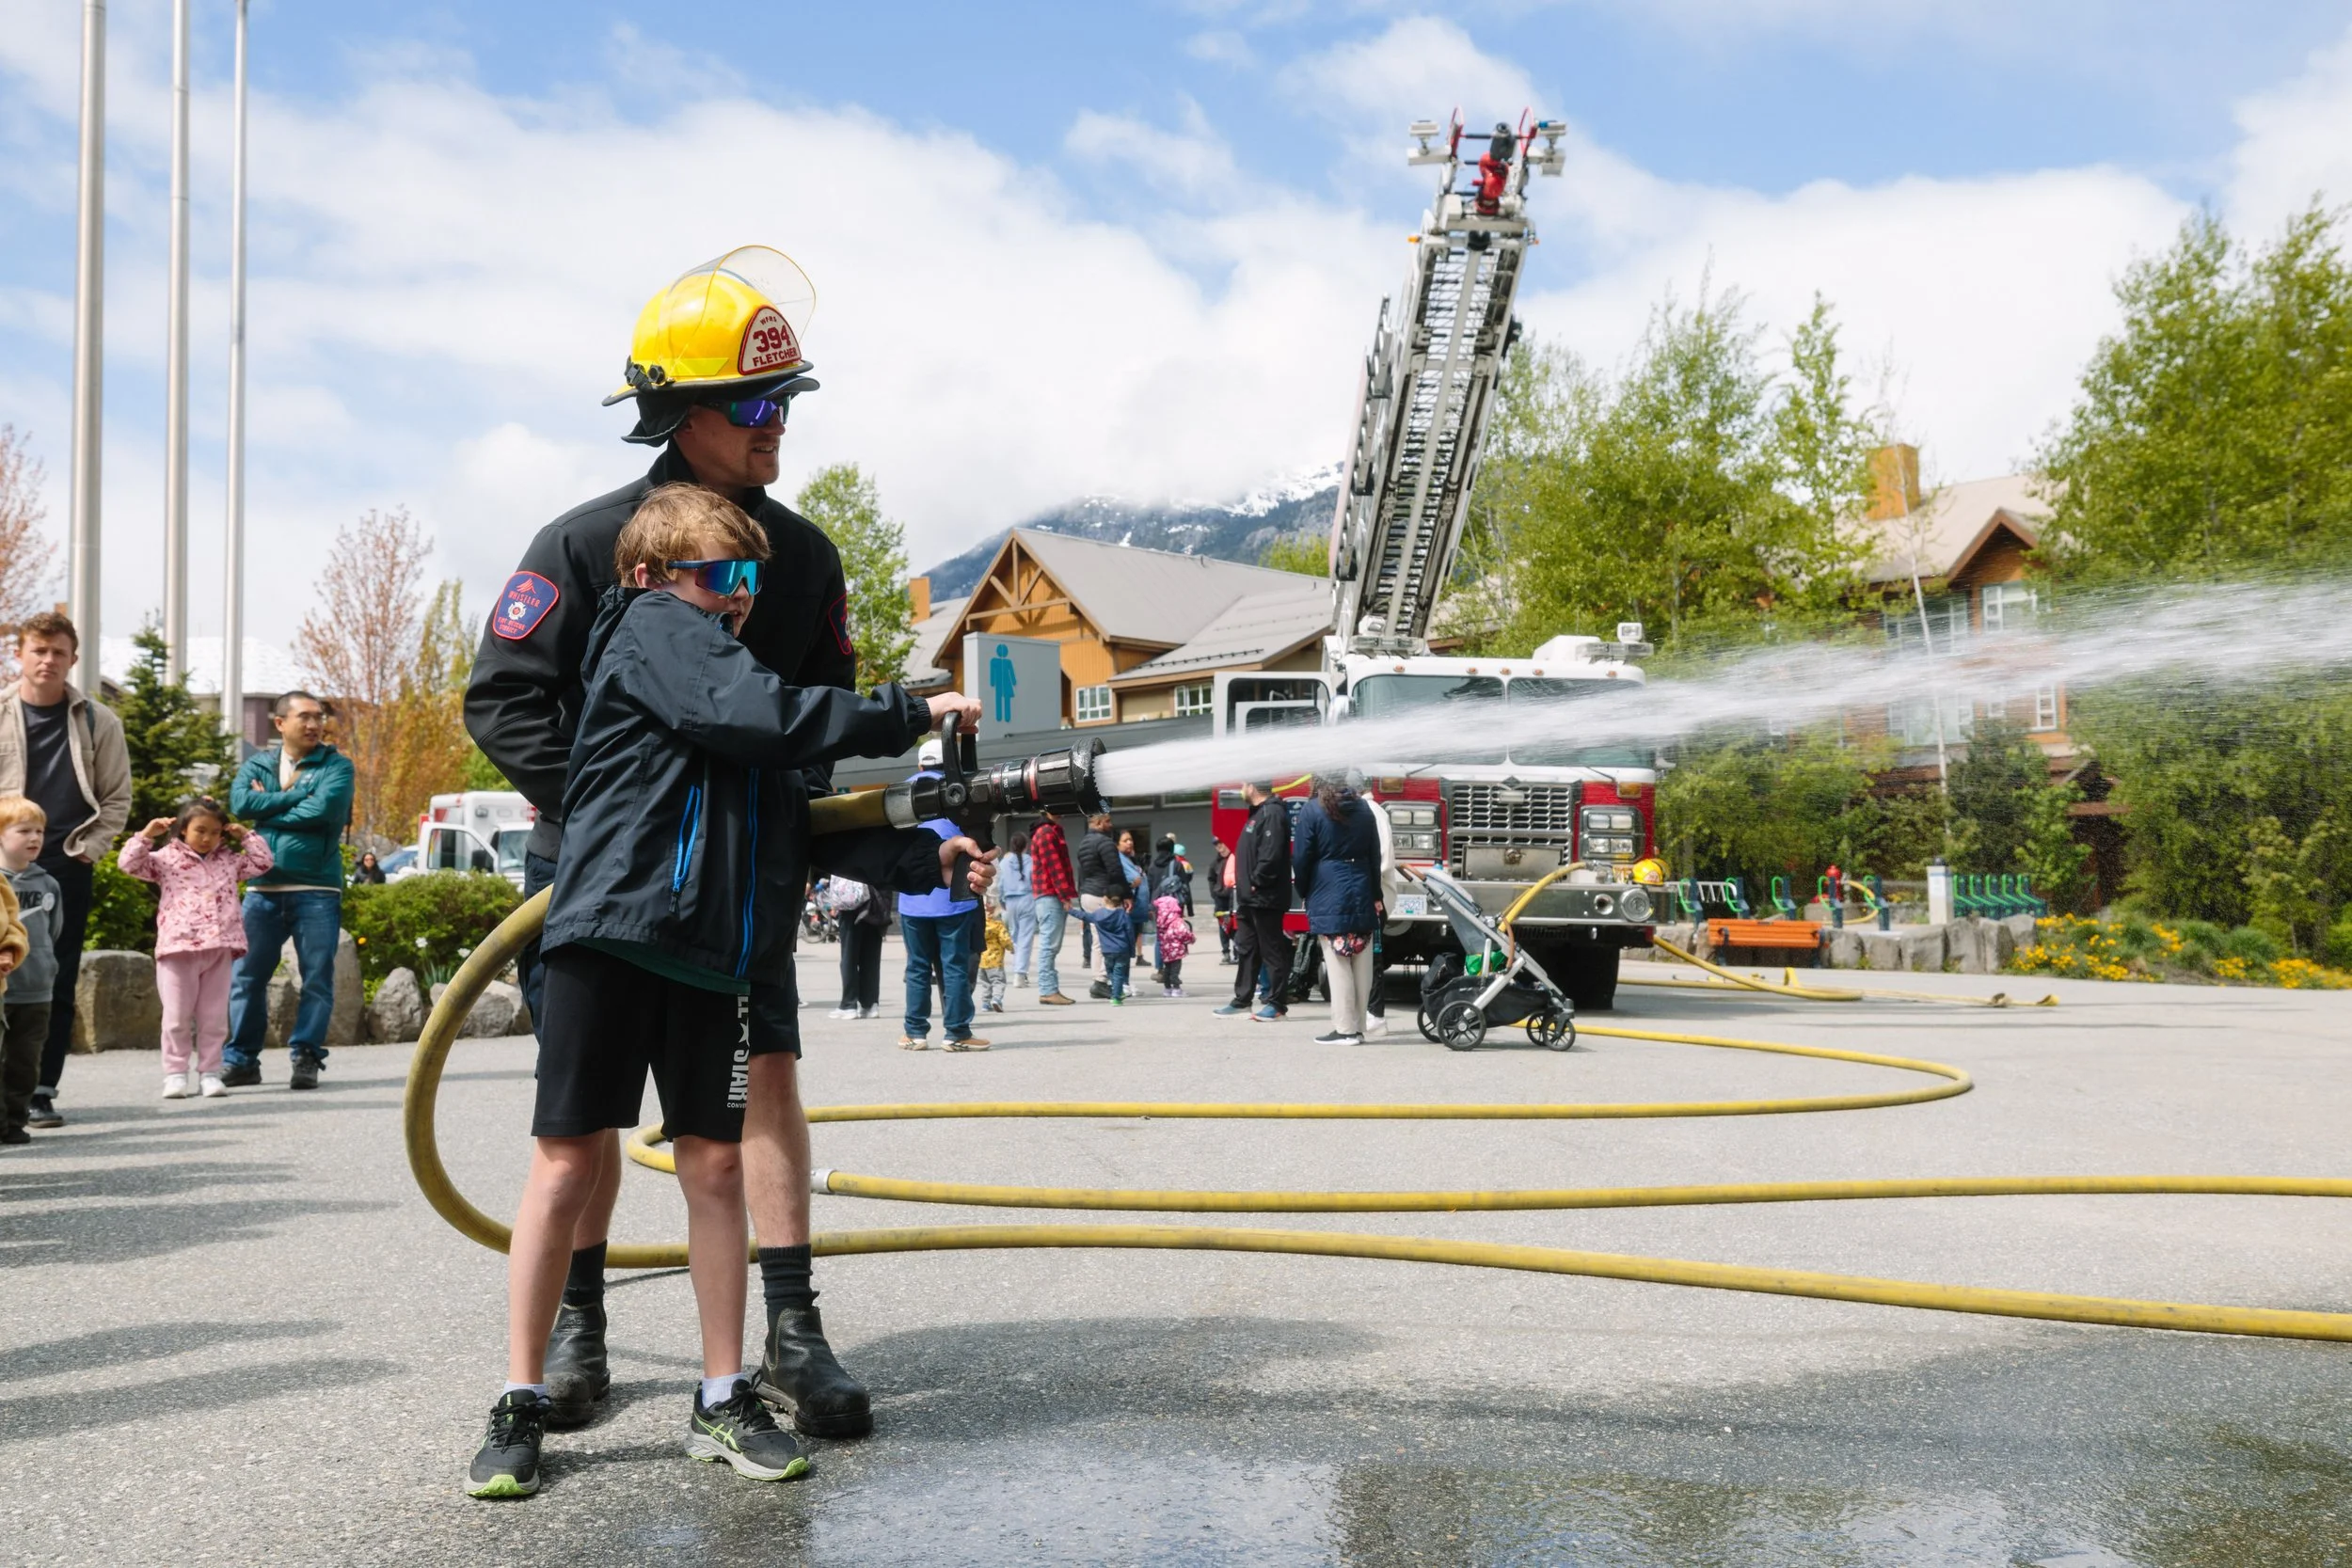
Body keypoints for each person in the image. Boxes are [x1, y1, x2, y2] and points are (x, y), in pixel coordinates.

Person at [465, 483, 985, 1498]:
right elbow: (759, 715)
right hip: (610, 940)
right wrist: (904, 707)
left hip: (710, 956)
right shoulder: (652, 630)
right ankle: (520, 1398)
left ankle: (719, 1393)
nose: (737, 597)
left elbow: (786, 800)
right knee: (566, 1164)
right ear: (649, 574)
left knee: (712, 1170)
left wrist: (918, 856)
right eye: (719, 575)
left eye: (747, 578)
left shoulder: (724, 673)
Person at [465, 247, 903, 1438]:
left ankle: (794, 1336)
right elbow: (503, 698)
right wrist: (620, 809)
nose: (779, 427)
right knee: (587, 1113)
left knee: (761, 1082)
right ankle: (578, 1327)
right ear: (679, 414)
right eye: (758, 407)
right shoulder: (588, 543)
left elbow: (812, 718)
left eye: (789, 403)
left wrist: (831, 832)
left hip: (742, 883)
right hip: (599, 878)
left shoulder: (804, 557)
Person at [0, 612, 130, 1131]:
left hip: (62, 866)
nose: (47, 660)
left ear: (73, 659)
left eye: (58, 651)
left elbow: (117, 797)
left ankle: (39, 1090)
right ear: (20, 655)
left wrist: (87, 851)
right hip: (1, 867)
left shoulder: (99, 721)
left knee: (52, 977)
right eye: (38, 650)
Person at [222, 691, 356, 1091]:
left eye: (319, 717)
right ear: (280, 723)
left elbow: (325, 811)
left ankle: (306, 1055)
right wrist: (297, 796)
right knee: (245, 977)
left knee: (316, 977)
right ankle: (241, 1060)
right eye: (305, 717)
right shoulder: (258, 762)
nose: (314, 724)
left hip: (317, 888)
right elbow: (240, 803)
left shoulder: (338, 766)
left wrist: (270, 805)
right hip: (262, 888)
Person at [118, 798, 276, 1098]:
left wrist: (246, 836)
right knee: (176, 1016)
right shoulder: (165, 859)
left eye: (215, 832)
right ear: (182, 829)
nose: (207, 838)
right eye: (200, 830)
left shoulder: (229, 859)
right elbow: (128, 864)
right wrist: (145, 835)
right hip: (178, 947)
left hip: (220, 947)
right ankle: (176, 1073)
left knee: (214, 1018)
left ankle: (210, 1072)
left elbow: (263, 863)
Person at [898, 736, 989, 1052]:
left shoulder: (902, 791)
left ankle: (914, 1033)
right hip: (955, 895)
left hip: (913, 897)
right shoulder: (964, 790)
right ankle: (957, 1033)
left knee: (917, 967)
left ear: (921, 765)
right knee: (954, 967)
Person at [1292, 773, 1382, 1046]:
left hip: (1328, 888)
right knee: (1362, 960)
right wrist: (1375, 892)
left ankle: (1344, 1030)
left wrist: (1305, 890)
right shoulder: (1364, 809)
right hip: (1362, 885)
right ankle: (1358, 1027)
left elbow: (1301, 857)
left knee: (1337, 959)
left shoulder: (1313, 809)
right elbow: (1374, 853)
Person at [1216, 783, 1293, 1022]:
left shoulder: (1272, 812)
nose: (1241, 789)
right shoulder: (1258, 813)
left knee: (1271, 950)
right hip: (1249, 898)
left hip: (1265, 896)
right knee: (1247, 949)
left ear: (1253, 787)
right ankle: (1242, 1000)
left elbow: (1271, 854)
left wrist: (1256, 880)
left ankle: (1277, 1004)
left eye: (1244, 784)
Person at [0, 798, 43, 1146]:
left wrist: (10, 950)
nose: (34, 838)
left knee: (23, 1061)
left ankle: (14, 1120)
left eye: (39, 831)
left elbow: (15, 926)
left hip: (32, 986)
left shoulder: (45, 884)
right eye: (23, 830)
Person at [1027, 810, 1077, 1005]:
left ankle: (1050, 989)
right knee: (1049, 945)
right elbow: (1054, 867)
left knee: (1050, 945)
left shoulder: (1049, 830)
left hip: (1047, 894)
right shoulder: (1047, 832)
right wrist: (1064, 895)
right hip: (1050, 895)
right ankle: (1048, 990)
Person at [825, 874, 887, 1021]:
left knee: (849, 957)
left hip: (852, 902)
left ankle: (849, 1004)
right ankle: (870, 1004)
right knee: (871, 958)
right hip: (876, 901)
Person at [1070, 889, 1137, 1004]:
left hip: (1107, 950)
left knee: (1110, 972)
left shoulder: (1099, 914)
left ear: (1105, 899)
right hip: (1122, 949)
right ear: (1121, 902)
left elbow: (1084, 916)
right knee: (1119, 972)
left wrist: (1070, 911)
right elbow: (1130, 934)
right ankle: (1116, 996)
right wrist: (1132, 951)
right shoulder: (1123, 915)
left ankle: (1117, 991)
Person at [1074, 812, 1121, 971]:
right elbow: (1115, 872)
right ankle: (1108, 979)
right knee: (1109, 940)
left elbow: (1082, 872)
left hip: (1087, 894)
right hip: (1102, 895)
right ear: (1099, 823)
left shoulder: (1083, 844)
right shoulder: (1105, 843)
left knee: (1097, 941)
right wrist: (1126, 895)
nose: (1111, 825)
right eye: (1108, 821)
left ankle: (1099, 979)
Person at [997, 831, 1035, 989]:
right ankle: (1020, 974)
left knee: (1014, 937)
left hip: (1010, 901)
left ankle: (1017, 971)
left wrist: (1001, 901)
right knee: (1025, 938)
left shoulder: (1004, 862)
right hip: (1027, 899)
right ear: (1026, 846)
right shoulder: (1030, 861)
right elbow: (1035, 880)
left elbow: (1000, 884)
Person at [1152, 889, 1194, 998]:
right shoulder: (1177, 921)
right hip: (1176, 950)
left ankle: (1167, 988)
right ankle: (1176, 988)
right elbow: (1183, 933)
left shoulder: (1160, 921)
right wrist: (1191, 938)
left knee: (1167, 970)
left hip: (1165, 950)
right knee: (1175, 970)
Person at [977, 899, 1010, 1014]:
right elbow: (1004, 939)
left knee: (985, 983)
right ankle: (997, 999)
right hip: (995, 960)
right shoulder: (997, 925)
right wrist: (1011, 948)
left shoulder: (980, 924)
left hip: (982, 960)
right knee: (998, 981)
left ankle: (985, 1003)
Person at [1210, 840, 1235, 963]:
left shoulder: (1235, 859)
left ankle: (1238, 952)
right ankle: (1226, 952)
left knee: (1237, 926)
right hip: (1220, 900)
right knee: (1223, 927)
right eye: (1216, 844)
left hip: (1234, 898)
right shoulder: (1215, 863)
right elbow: (1211, 879)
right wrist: (1214, 893)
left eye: (1221, 843)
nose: (1219, 846)